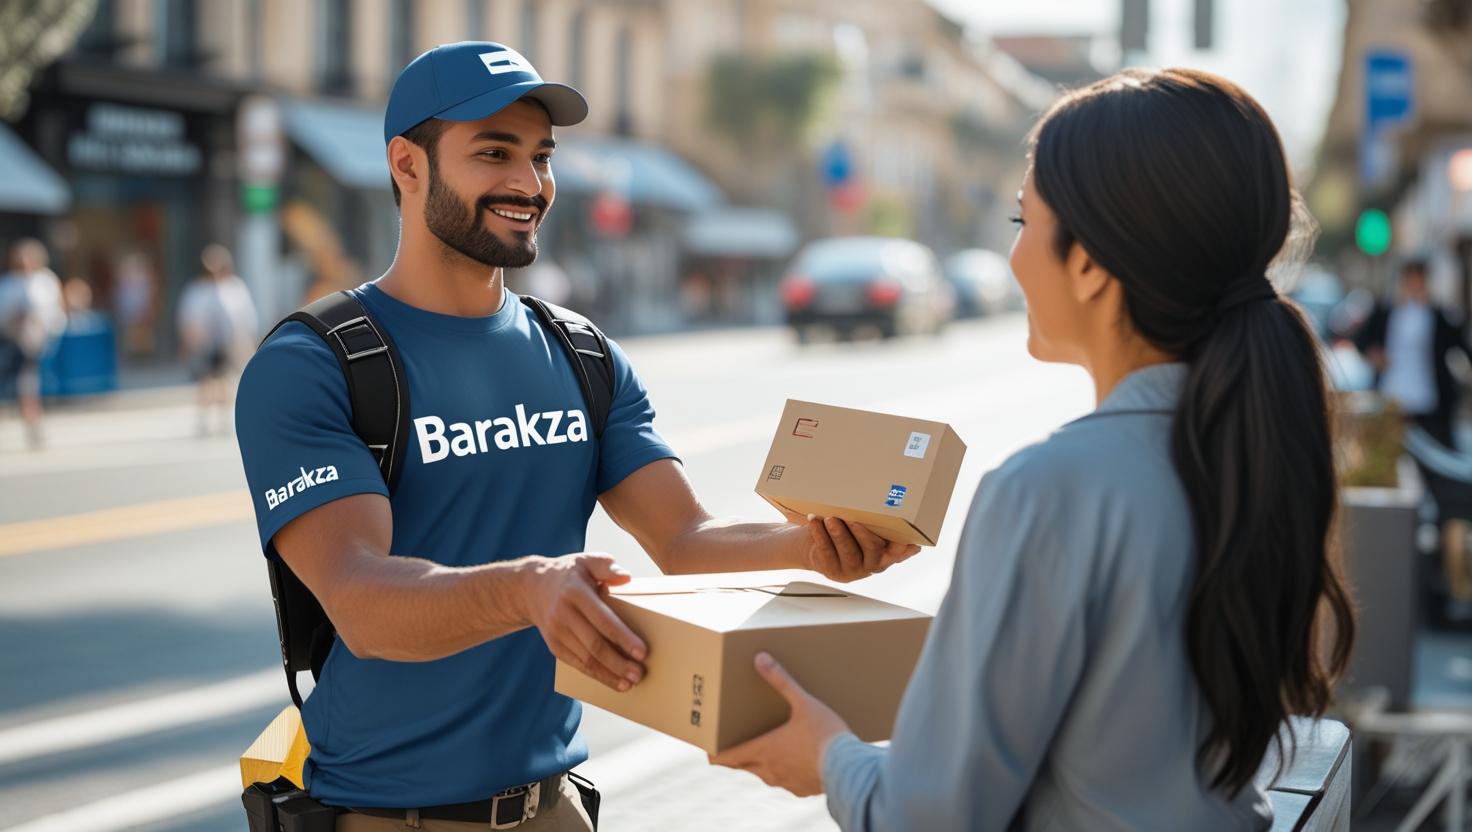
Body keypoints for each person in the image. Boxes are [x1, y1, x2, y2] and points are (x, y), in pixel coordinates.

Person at [233, 41, 916, 832]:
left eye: (542, 157)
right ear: (406, 164)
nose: (529, 184)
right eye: (494, 153)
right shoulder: (312, 365)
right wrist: (529, 587)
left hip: (556, 810)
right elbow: (363, 602)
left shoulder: (582, 355)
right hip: (390, 816)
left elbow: (688, 538)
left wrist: (813, 544)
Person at [711, 68, 1357, 831]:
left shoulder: (1047, 491)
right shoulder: (1254, 444)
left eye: (1023, 223)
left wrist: (829, 756)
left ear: (1087, 262)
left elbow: (930, 820)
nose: (1013, 258)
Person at [1353, 258, 1472, 448]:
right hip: (1392, 393)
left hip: (1428, 397)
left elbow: (1461, 344)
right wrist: (1374, 355)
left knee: (1435, 452)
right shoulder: (1385, 311)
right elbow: (1361, 340)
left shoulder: (1439, 315)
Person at [177, 244, 259, 436]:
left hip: (229, 341)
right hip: (204, 343)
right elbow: (187, 318)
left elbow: (246, 317)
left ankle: (224, 419)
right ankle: (204, 418)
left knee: (225, 380)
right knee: (206, 379)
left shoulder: (235, 288)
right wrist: (187, 343)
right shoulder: (197, 290)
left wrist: (248, 341)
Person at [0, 239, 67, 449]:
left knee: (29, 388)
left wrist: (43, 328)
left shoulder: (45, 281)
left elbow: (55, 314)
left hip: (36, 345)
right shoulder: (8, 283)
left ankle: (33, 428)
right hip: (11, 343)